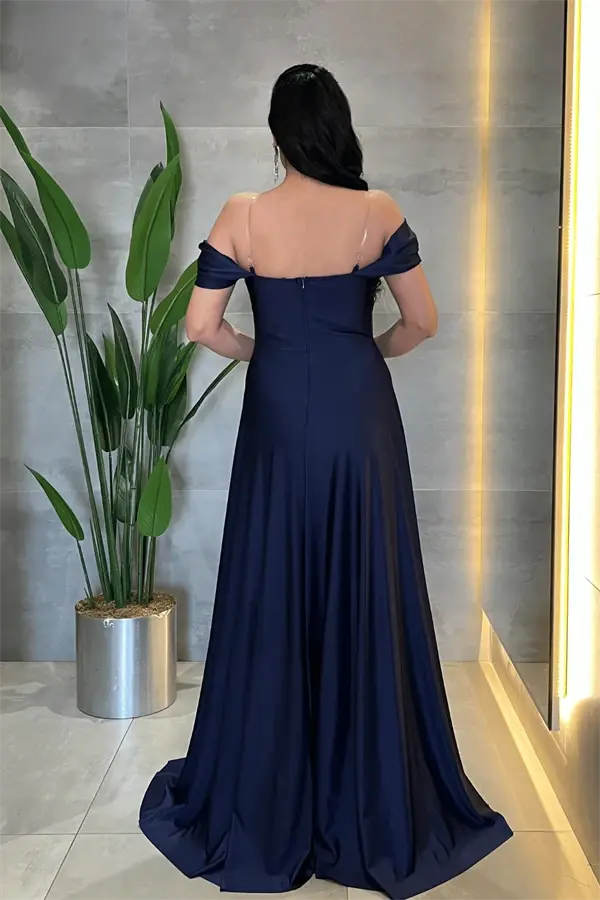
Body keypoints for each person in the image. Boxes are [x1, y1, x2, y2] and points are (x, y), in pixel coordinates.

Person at [139, 64, 512, 900]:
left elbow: (200, 325)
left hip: (277, 413)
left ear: (278, 134)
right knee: (364, 584)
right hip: (359, 416)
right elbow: (423, 321)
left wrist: (261, 351)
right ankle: (366, 794)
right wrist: (362, 354)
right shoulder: (376, 212)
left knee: (274, 583)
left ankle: (269, 792)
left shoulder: (243, 213)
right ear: (337, 127)